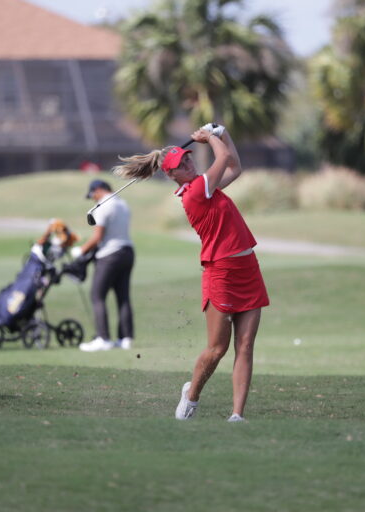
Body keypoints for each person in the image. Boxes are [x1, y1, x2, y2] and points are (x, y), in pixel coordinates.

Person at [113, 124, 269, 422]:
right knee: (217, 348)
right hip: (220, 273)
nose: (187, 163)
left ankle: (237, 415)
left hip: (248, 269)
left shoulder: (205, 185)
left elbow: (234, 166)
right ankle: (192, 394)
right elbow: (221, 160)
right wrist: (210, 138)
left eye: (187, 158)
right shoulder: (197, 191)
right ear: (171, 175)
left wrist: (223, 134)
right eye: (180, 165)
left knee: (246, 345)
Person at [77, 179, 135, 352]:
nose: (93, 199)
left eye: (93, 194)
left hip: (109, 255)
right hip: (128, 252)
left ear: (98, 190)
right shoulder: (123, 204)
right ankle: (125, 338)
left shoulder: (103, 206)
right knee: (122, 296)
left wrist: (79, 252)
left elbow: (97, 238)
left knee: (97, 295)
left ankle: (103, 338)